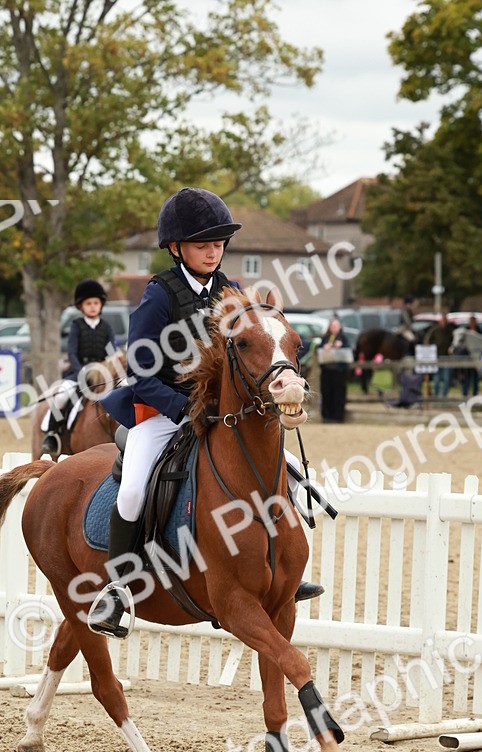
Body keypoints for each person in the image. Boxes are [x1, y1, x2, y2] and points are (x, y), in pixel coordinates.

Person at [92, 186, 322, 638]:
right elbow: (140, 373)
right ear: (177, 247)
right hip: (162, 410)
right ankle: (117, 589)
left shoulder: (232, 292)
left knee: (289, 470)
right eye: (203, 244)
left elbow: (262, 342)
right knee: (134, 487)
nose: (212, 251)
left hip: (221, 415)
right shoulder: (160, 295)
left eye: (218, 243)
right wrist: (182, 407)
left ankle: (283, 570)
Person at [39, 279, 117, 456]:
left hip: (103, 374)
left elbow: (111, 352)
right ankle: (52, 434)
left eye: (96, 303)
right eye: (88, 303)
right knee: (62, 395)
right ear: (81, 306)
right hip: (78, 372)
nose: (92, 307)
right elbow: (72, 353)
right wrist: (81, 370)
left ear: (101, 305)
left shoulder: (107, 327)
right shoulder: (77, 326)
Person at [317, 318, 350, 422]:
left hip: (339, 372)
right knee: (326, 393)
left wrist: (341, 346)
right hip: (327, 371)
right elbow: (319, 350)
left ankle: (338, 417)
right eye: (332, 326)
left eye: (336, 326)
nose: (334, 328)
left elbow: (348, 351)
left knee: (339, 394)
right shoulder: (325, 338)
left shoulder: (343, 338)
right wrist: (325, 347)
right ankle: (326, 416)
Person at [452, 315, 482, 398]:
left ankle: (474, 394)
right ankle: (465, 394)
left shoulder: (480, 331)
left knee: (475, 378)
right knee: (466, 378)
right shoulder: (465, 331)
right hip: (467, 358)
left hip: (477, 359)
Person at [424, 312, 454, 399]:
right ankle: (436, 396)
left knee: (446, 379)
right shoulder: (435, 330)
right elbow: (427, 341)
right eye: (442, 321)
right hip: (436, 358)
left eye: (445, 321)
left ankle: (444, 396)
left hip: (446, 358)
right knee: (436, 379)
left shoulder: (450, 331)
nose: (444, 323)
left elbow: (454, 342)